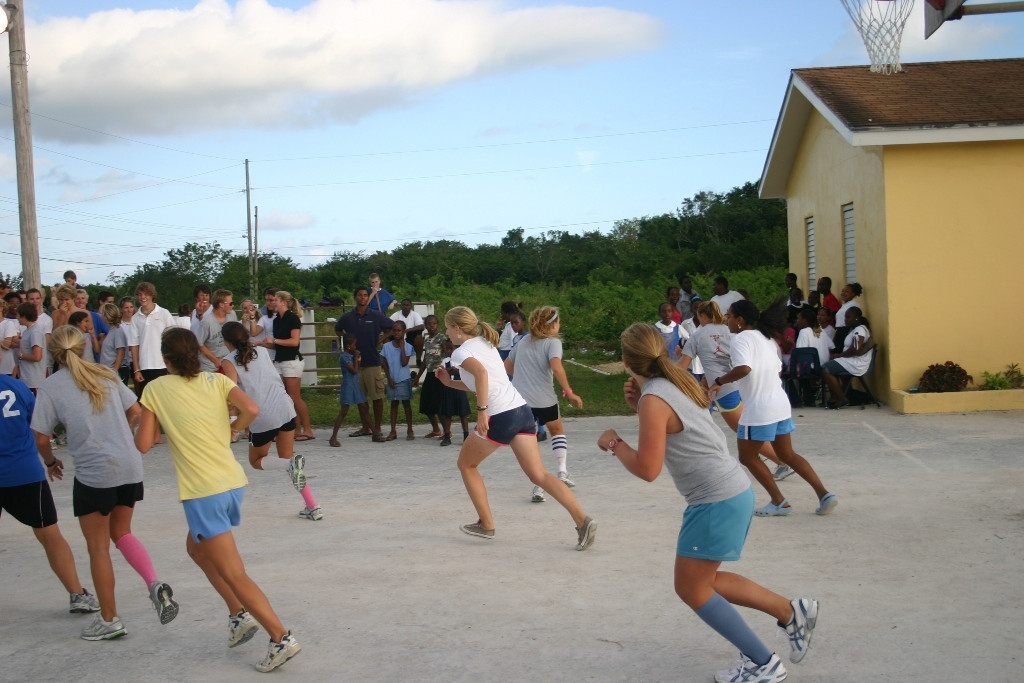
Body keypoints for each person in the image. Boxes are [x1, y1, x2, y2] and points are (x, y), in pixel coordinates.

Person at [598, 323, 819, 683]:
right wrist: (640, 403)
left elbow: (648, 469)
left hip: (715, 499)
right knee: (706, 581)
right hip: (731, 492)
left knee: (691, 588)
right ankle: (791, 611)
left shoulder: (655, 396)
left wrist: (613, 443)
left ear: (626, 361)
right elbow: (674, 423)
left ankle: (764, 662)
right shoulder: (674, 381)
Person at [134, 327, 301, 673]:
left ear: (165, 360)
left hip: (203, 491)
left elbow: (144, 444)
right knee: (197, 548)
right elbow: (251, 408)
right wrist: (234, 429)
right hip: (231, 483)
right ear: (195, 354)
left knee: (234, 572)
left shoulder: (155, 389)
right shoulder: (216, 381)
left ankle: (280, 637)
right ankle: (238, 616)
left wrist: (145, 420)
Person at [31, 326, 178, 640]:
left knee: (98, 548)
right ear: (85, 346)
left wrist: (51, 462)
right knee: (122, 532)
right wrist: (119, 434)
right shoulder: (107, 374)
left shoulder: (51, 386)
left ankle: (110, 620)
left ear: (54, 352)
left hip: (95, 473)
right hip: (128, 466)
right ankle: (153, 583)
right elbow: (136, 410)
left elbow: (41, 437)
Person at [435, 306, 595, 549]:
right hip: (521, 411)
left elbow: (480, 375)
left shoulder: (460, 353)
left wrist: (482, 412)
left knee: (466, 465)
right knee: (539, 475)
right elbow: (486, 381)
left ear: (457, 329)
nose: (447, 333)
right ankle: (583, 521)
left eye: (447, 328)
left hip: (500, 415)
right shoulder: (485, 343)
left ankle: (486, 524)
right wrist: (450, 382)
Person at [709, 298, 838, 517]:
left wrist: (719, 382)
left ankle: (779, 501)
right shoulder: (766, 339)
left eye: (729, 316)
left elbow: (744, 368)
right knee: (787, 454)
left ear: (740, 320)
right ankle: (824, 494)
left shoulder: (741, 339)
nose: (727, 320)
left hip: (760, 409)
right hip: (779, 404)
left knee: (747, 457)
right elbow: (775, 369)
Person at [0, 373, 101, 618]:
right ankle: (77, 593)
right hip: (22, 473)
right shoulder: (16, 386)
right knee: (49, 534)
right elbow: (38, 430)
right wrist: (50, 460)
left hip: (19, 473)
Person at [220, 321, 322, 521]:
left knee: (256, 461)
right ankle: (313, 505)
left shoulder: (228, 360)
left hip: (263, 415)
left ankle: (290, 464)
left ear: (226, 341)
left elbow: (229, 390)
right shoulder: (261, 352)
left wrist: (230, 419)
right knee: (288, 462)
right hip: (285, 408)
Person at [678, 301, 788, 479]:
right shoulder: (729, 331)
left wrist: (668, 370)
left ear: (702, 316)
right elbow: (724, 360)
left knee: (745, 432)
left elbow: (682, 366)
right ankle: (772, 458)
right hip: (741, 385)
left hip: (725, 390)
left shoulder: (697, 336)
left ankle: (782, 461)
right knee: (750, 429)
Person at [504, 305, 583, 503]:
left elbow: (507, 366)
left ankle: (538, 486)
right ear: (553, 324)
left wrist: (522, 379)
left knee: (530, 440)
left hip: (520, 401)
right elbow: (556, 367)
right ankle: (562, 472)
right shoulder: (552, 343)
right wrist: (569, 392)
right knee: (557, 430)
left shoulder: (523, 342)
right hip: (544, 399)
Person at [334, 286, 395, 442]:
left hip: (372, 361)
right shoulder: (347, 317)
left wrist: (379, 340)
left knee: (377, 396)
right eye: (360, 295)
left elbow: (393, 327)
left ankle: (378, 427)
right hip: (355, 365)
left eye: (365, 295)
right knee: (361, 399)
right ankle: (366, 427)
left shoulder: (376, 315)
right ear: (355, 297)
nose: (362, 297)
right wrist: (346, 344)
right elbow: (338, 329)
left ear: (369, 298)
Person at [269, 291, 314, 441]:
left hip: (292, 361)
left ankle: (308, 430)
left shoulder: (293, 319)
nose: (272, 302)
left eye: (275, 300)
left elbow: (294, 342)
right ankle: (294, 428)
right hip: (280, 360)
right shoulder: (276, 320)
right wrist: (266, 344)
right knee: (283, 397)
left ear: (283, 302)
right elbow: (280, 343)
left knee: (294, 397)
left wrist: (274, 341)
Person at [129, 281, 176, 399]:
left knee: (164, 400)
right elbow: (134, 345)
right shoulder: (135, 318)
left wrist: (172, 364)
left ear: (152, 295)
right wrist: (136, 370)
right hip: (144, 367)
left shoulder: (164, 313)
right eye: (140, 294)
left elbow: (173, 339)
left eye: (146, 294)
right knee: (147, 401)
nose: (142, 297)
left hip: (162, 365)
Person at [821, 307, 872, 410]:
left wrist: (840, 355)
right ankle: (835, 398)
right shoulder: (855, 329)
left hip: (857, 362)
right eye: (845, 317)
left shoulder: (860, 330)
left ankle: (842, 398)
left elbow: (856, 349)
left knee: (825, 369)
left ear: (856, 318)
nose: (845, 320)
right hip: (850, 361)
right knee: (831, 364)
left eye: (848, 317)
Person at [328, 334, 371, 447]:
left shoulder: (349, 356)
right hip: (348, 385)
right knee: (344, 410)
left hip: (355, 385)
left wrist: (357, 359)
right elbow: (354, 370)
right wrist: (356, 359)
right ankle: (333, 437)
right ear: (348, 346)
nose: (355, 346)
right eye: (354, 345)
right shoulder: (344, 357)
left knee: (363, 408)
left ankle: (375, 432)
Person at [381, 320, 415, 441]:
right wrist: (389, 378)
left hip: (404, 379)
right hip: (392, 379)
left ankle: (410, 429)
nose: (396, 333)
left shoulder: (408, 347)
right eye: (394, 330)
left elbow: (404, 362)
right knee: (394, 404)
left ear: (404, 331)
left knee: (406, 404)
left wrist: (402, 347)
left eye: (399, 330)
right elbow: (384, 363)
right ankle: (393, 430)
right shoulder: (386, 346)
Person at [437, 337, 470, 447]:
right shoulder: (445, 361)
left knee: (463, 413)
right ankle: (447, 436)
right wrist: (447, 371)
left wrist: (457, 371)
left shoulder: (461, 361)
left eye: (452, 348)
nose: (450, 351)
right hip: (448, 389)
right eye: (448, 349)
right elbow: (441, 373)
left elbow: (466, 372)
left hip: (459, 388)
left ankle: (466, 435)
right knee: (447, 413)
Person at [417, 316, 446, 439]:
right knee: (426, 403)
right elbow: (426, 359)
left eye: (434, 323)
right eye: (429, 324)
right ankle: (436, 429)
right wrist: (417, 376)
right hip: (429, 373)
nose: (432, 326)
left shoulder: (442, 338)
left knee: (438, 404)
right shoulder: (427, 340)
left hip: (439, 374)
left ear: (437, 325)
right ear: (426, 326)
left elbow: (447, 353)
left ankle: (447, 431)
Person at [98, 303, 132, 386]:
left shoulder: (117, 331)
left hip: (116, 370)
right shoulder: (112, 330)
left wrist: (114, 370)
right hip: (108, 369)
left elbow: (121, 352)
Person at [17, 303, 48, 392]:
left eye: (18, 315)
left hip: (34, 381)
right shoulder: (28, 330)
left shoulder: (35, 332)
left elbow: (37, 356)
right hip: (26, 379)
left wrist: (21, 356)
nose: (17, 318)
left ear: (24, 316)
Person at [391, 298, 425, 371]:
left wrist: (407, 330)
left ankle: (418, 359)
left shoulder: (415, 314)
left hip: (410, 338)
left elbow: (422, 326)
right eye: (403, 305)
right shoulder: (396, 314)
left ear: (411, 306)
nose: (405, 307)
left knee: (419, 337)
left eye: (407, 305)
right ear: (401, 306)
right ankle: (389, 359)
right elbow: (388, 324)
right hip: (398, 338)